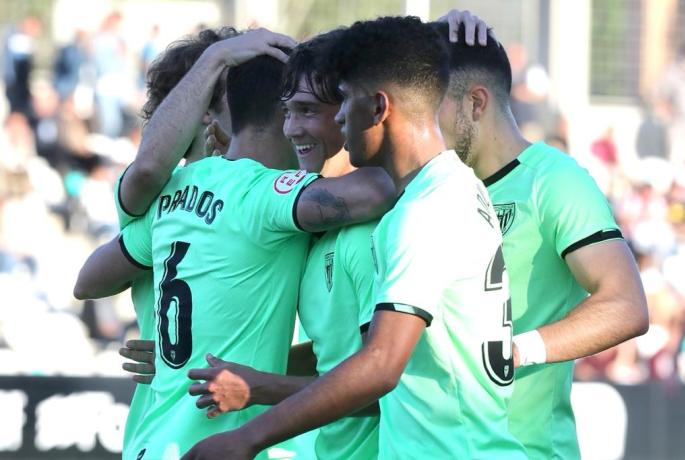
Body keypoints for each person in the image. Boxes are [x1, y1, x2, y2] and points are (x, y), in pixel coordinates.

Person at [182, 16, 526, 460]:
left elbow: (379, 366)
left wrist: (247, 430)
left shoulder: (423, 211)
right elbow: (344, 355)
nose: (341, 115)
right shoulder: (446, 190)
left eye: (342, 101)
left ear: (379, 107)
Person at [74, 28, 395, 460]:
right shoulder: (267, 195)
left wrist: (175, 357)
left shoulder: (172, 191)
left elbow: (88, 279)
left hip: (151, 441)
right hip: (213, 443)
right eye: (295, 109)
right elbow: (377, 190)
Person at [433, 21, 648, 459]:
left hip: (525, 450)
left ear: (476, 103)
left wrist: (511, 353)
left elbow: (625, 305)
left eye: (432, 108)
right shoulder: (434, 190)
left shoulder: (554, 180)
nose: (424, 127)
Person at [109, 26, 241, 460]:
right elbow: (86, 280)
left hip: (249, 430)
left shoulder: (268, 190)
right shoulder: (149, 194)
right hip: (169, 432)